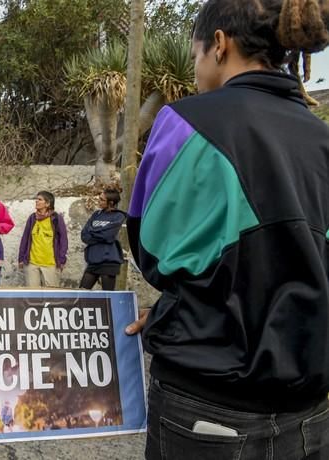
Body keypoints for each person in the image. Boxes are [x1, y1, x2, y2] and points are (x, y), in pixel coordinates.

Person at [124, 1, 329, 458]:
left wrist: (180, 309)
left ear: (219, 45)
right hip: (311, 416)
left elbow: (154, 252)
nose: (195, 68)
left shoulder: (186, 122)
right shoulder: (321, 138)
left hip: (205, 409)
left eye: (195, 54)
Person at [17, 191, 68, 287]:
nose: (36, 201)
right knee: (32, 295)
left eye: (40, 199)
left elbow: (63, 240)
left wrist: (61, 260)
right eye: (36, 199)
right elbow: (25, 239)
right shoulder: (32, 218)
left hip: (51, 264)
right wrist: (21, 258)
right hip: (32, 264)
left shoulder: (56, 218)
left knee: (51, 296)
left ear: (47, 203)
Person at [79, 188, 125, 291]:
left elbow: (108, 236)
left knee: (107, 295)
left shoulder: (119, 216)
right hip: (93, 260)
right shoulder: (96, 214)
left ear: (111, 202)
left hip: (109, 261)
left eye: (102, 200)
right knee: (82, 292)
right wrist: (100, 232)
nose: (98, 201)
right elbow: (84, 235)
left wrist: (93, 231)